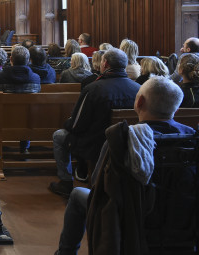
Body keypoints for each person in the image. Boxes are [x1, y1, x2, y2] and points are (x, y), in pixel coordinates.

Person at [54, 76, 195, 255]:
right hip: (181, 220)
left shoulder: (122, 138)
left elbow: (98, 189)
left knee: (76, 194)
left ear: (139, 102)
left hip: (129, 219)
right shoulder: (191, 137)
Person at [49, 48, 140, 197]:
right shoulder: (138, 89)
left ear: (105, 63)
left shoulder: (93, 88)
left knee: (59, 135)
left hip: (95, 143)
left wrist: (67, 124)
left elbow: (77, 125)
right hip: (129, 143)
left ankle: (66, 182)